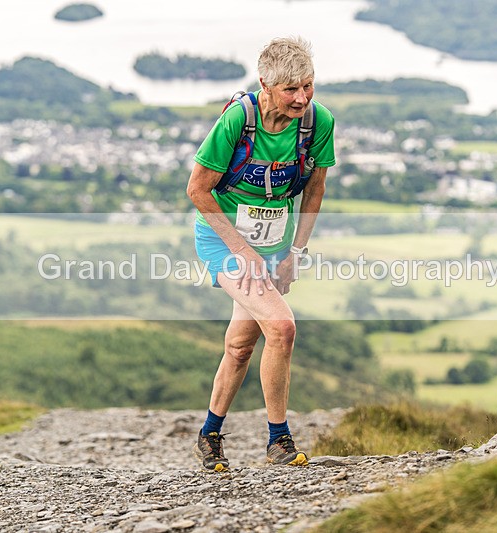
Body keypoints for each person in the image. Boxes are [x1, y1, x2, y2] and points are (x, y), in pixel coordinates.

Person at [186, 36, 336, 471]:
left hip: (274, 246)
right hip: (223, 240)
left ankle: (209, 434)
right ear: (265, 84)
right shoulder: (238, 120)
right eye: (291, 89)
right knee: (282, 326)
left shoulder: (317, 121)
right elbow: (197, 190)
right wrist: (241, 249)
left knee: (239, 346)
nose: (302, 97)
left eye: (308, 86)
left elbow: (315, 188)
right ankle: (279, 441)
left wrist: (296, 252)